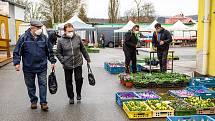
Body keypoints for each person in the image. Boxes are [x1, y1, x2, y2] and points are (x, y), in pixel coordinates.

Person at [13, 20, 56, 111]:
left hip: (42, 67)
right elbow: (17, 51)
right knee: (30, 85)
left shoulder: (44, 38)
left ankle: (43, 102)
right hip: (28, 67)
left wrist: (52, 61)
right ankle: (33, 101)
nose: (40, 29)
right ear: (32, 28)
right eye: (38, 28)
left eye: (40, 28)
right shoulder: (23, 38)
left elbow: (49, 51)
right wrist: (17, 63)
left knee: (43, 84)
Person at [56, 23, 91, 104]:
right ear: (64, 31)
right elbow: (58, 53)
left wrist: (87, 58)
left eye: (72, 30)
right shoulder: (61, 40)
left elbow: (83, 49)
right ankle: (71, 97)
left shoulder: (77, 37)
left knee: (79, 79)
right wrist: (63, 61)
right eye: (69, 31)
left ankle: (78, 93)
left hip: (78, 62)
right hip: (67, 64)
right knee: (68, 81)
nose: (71, 32)